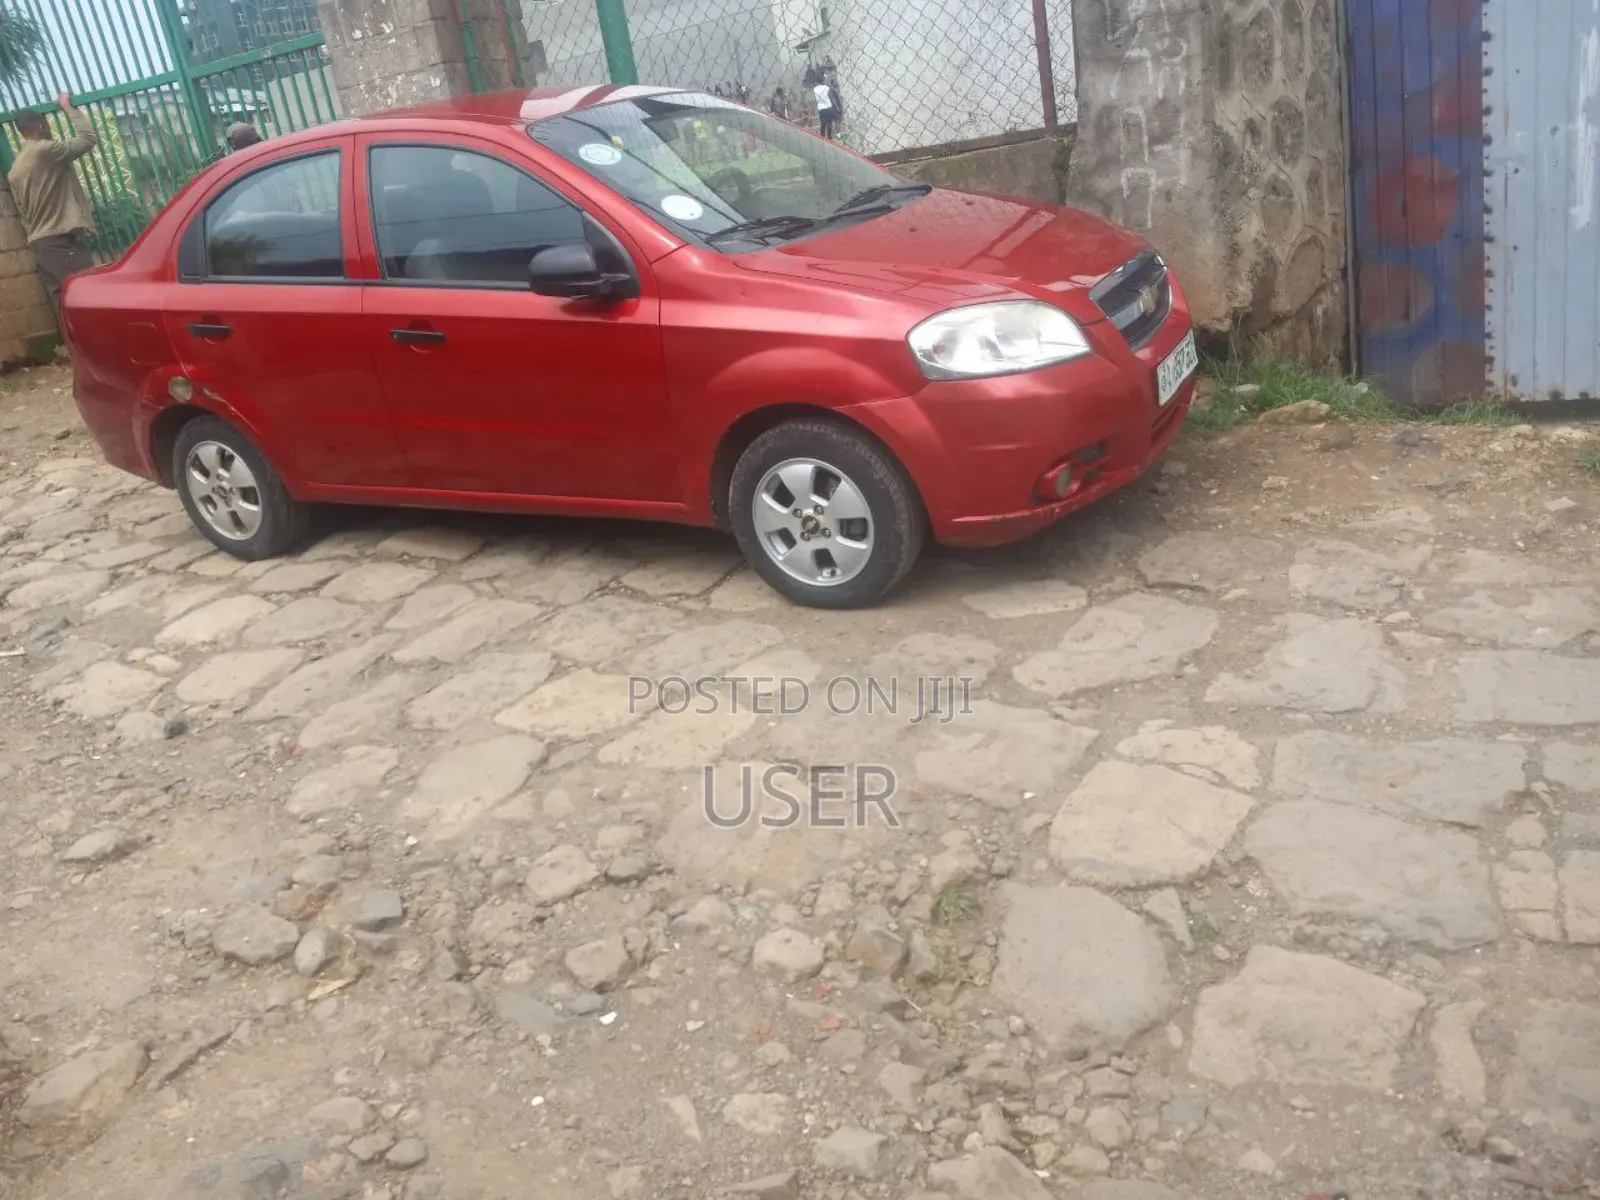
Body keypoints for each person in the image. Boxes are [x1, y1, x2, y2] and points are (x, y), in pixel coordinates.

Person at [7, 92, 97, 326]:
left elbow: (23, 211)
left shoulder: (16, 168)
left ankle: (77, 347)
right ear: (40, 126)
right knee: (90, 297)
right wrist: (67, 106)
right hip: (59, 242)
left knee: (64, 307)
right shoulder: (44, 150)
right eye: (47, 125)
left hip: (40, 245)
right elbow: (87, 139)